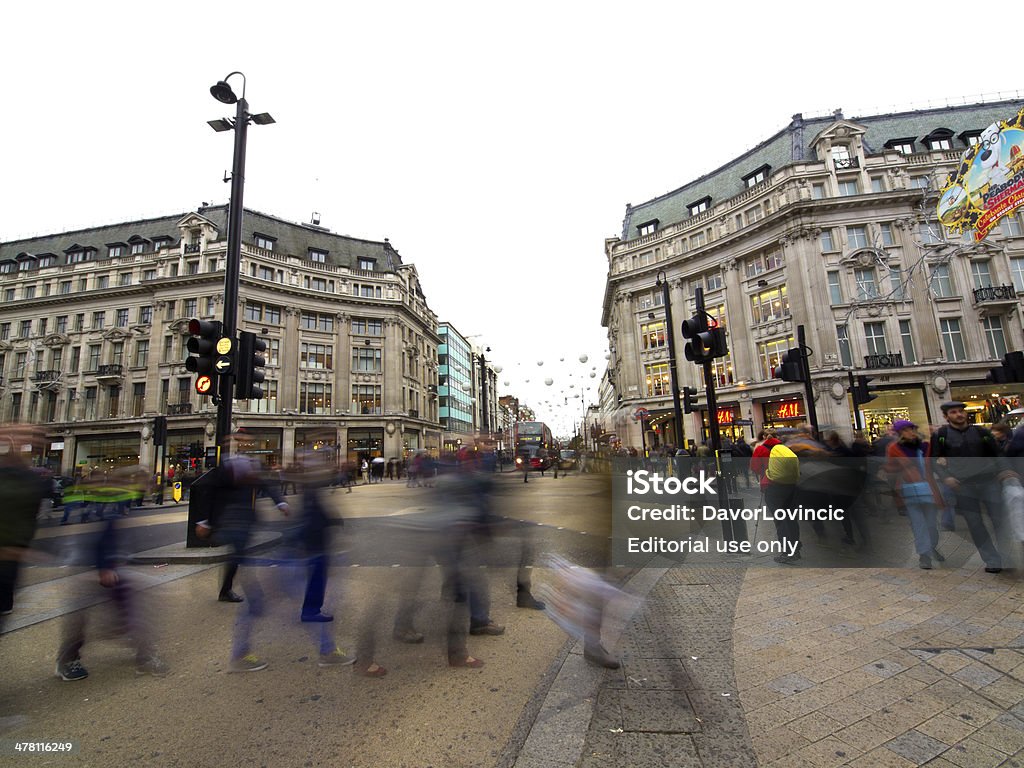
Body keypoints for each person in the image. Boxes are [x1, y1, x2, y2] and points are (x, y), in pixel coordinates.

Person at [930, 401, 1013, 573]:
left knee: (999, 520)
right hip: (963, 486)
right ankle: (992, 560)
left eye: (961, 411)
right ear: (946, 416)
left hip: (989, 482)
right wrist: (946, 477)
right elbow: (934, 460)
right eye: (953, 412)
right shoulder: (941, 435)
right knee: (975, 524)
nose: (959, 414)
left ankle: (1007, 557)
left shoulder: (981, 432)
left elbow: (997, 453)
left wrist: (1005, 470)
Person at [884, 419, 944, 569]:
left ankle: (931, 547)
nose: (910, 432)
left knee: (931, 524)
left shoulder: (925, 446)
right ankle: (924, 555)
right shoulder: (894, 448)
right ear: (899, 434)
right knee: (918, 524)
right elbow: (890, 469)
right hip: (909, 490)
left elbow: (934, 465)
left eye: (911, 429)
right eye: (905, 430)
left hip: (928, 489)